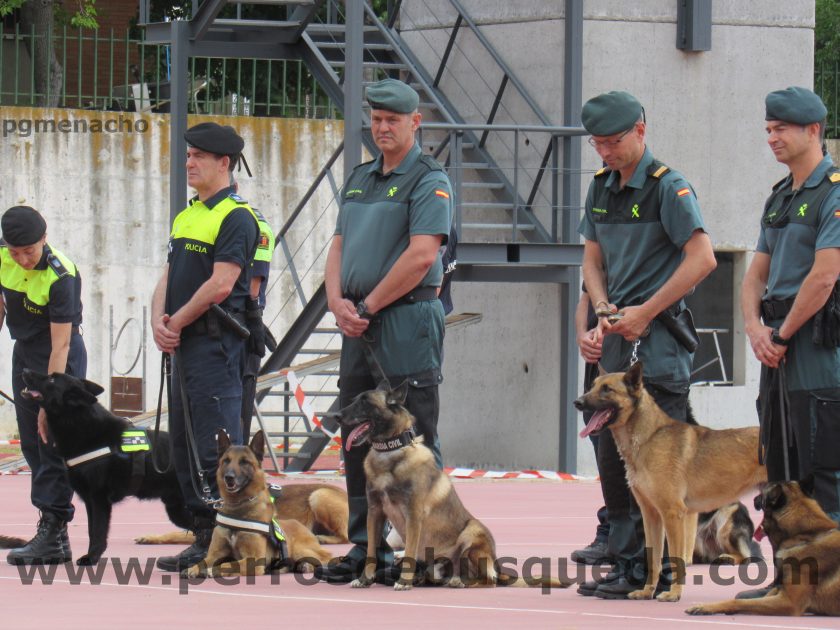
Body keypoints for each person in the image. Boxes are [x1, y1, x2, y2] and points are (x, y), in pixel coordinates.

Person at [575, 91, 717, 599]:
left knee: (659, 465)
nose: (605, 152)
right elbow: (592, 262)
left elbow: (702, 259)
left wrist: (646, 311)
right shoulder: (599, 188)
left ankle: (651, 572)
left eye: (613, 142)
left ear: (640, 130)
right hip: (612, 343)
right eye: (598, 144)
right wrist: (594, 314)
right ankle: (626, 561)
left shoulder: (668, 188)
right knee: (614, 459)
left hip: (655, 351)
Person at [315, 78, 452, 583]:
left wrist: (367, 304)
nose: (382, 127)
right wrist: (336, 301)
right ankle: (365, 548)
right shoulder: (360, 177)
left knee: (416, 435)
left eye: (392, 120)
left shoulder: (429, 179)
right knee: (355, 435)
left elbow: (422, 255)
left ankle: (431, 550)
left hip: (405, 322)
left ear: (415, 123)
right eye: (376, 119)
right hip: (357, 323)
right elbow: (338, 244)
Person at [739, 87, 840, 598]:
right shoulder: (780, 195)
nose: (772, 137)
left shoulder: (834, 192)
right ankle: (790, 582)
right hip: (775, 349)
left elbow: (824, 276)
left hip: (816, 350)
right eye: (769, 129)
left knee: (825, 469)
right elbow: (754, 274)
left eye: (781, 129)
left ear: (813, 131)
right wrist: (756, 331)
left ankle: (831, 588)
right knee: (781, 467)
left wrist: (778, 334)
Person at [151, 122, 259, 572]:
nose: (189, 162)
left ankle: (232, 536)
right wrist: (158, 318)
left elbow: (222, 283)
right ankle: (203, 534)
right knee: (185, 444)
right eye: (188, 155)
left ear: (225, 164)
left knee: (218, 445)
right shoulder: (188, 214)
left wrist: (175, 321)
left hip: (213, 347)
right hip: (182, 342)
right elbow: (168, 273)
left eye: (198, 156)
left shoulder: (236, 216)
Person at [1, 205, 87, 565]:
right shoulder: (4, 258)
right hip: (24, 355)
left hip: (58, 360)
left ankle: (52, 529)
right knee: (33, 447)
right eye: (15, 251)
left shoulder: (60, 275)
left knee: (51, 441)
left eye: (29, 251)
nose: (21, 259)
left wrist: (49, 403)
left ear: (44, 240)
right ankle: (56, 536)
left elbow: (62, 345)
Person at [571, 288, 612, 566]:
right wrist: (582, 336)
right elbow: (585, 300)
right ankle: (613, 531)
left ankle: (618, 534)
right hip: (600, 374)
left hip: (634, 366)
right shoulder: (600, 254)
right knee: (608, 462)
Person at [240, 204, 275, 440]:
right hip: (239, 320)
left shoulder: (253, 223)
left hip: (242, 322)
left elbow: (253, 286)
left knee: (239, 408)